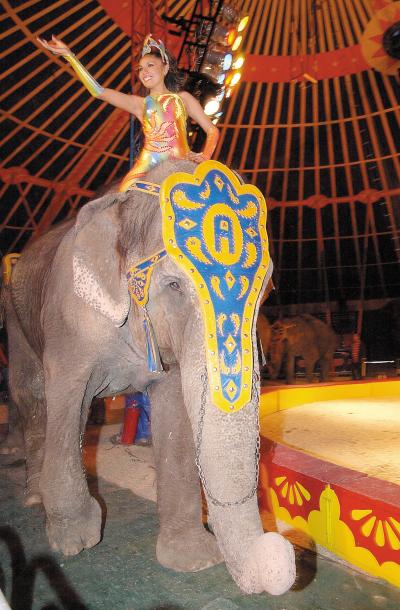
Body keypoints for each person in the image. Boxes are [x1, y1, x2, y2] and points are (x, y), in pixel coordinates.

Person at [37, 34, 219, 191]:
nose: (144, 72)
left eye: (150, 65)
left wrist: (205, 156)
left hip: (181, 162)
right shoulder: (139, 104)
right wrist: (70, 57)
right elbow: (98, 91)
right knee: (122, 198)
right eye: (140, 68)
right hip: (147, 166)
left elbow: (212, 130)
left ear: (165, 69)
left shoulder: (183, 98)